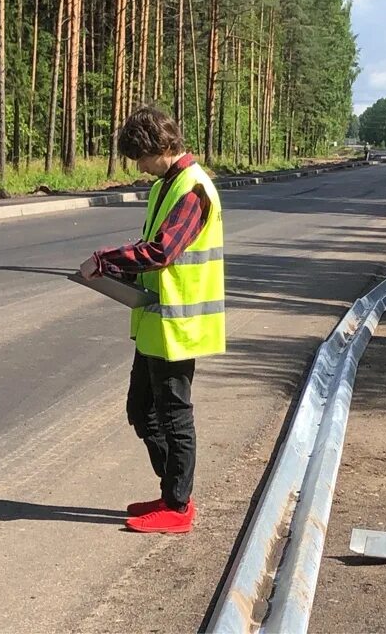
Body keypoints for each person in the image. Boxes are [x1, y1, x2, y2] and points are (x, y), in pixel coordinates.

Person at [79, 105, 225, 535]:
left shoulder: (192, 189)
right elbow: (152, 251)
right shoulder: (169, 184)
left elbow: (161, 252)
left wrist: (105, 259)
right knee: (141, 411)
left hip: (179, 327)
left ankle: (178, 506)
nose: (139, 168)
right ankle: (171, 493)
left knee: (173, 415)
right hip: (156, 322)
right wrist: (117, 269)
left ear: (158, 147)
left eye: (140, 158)